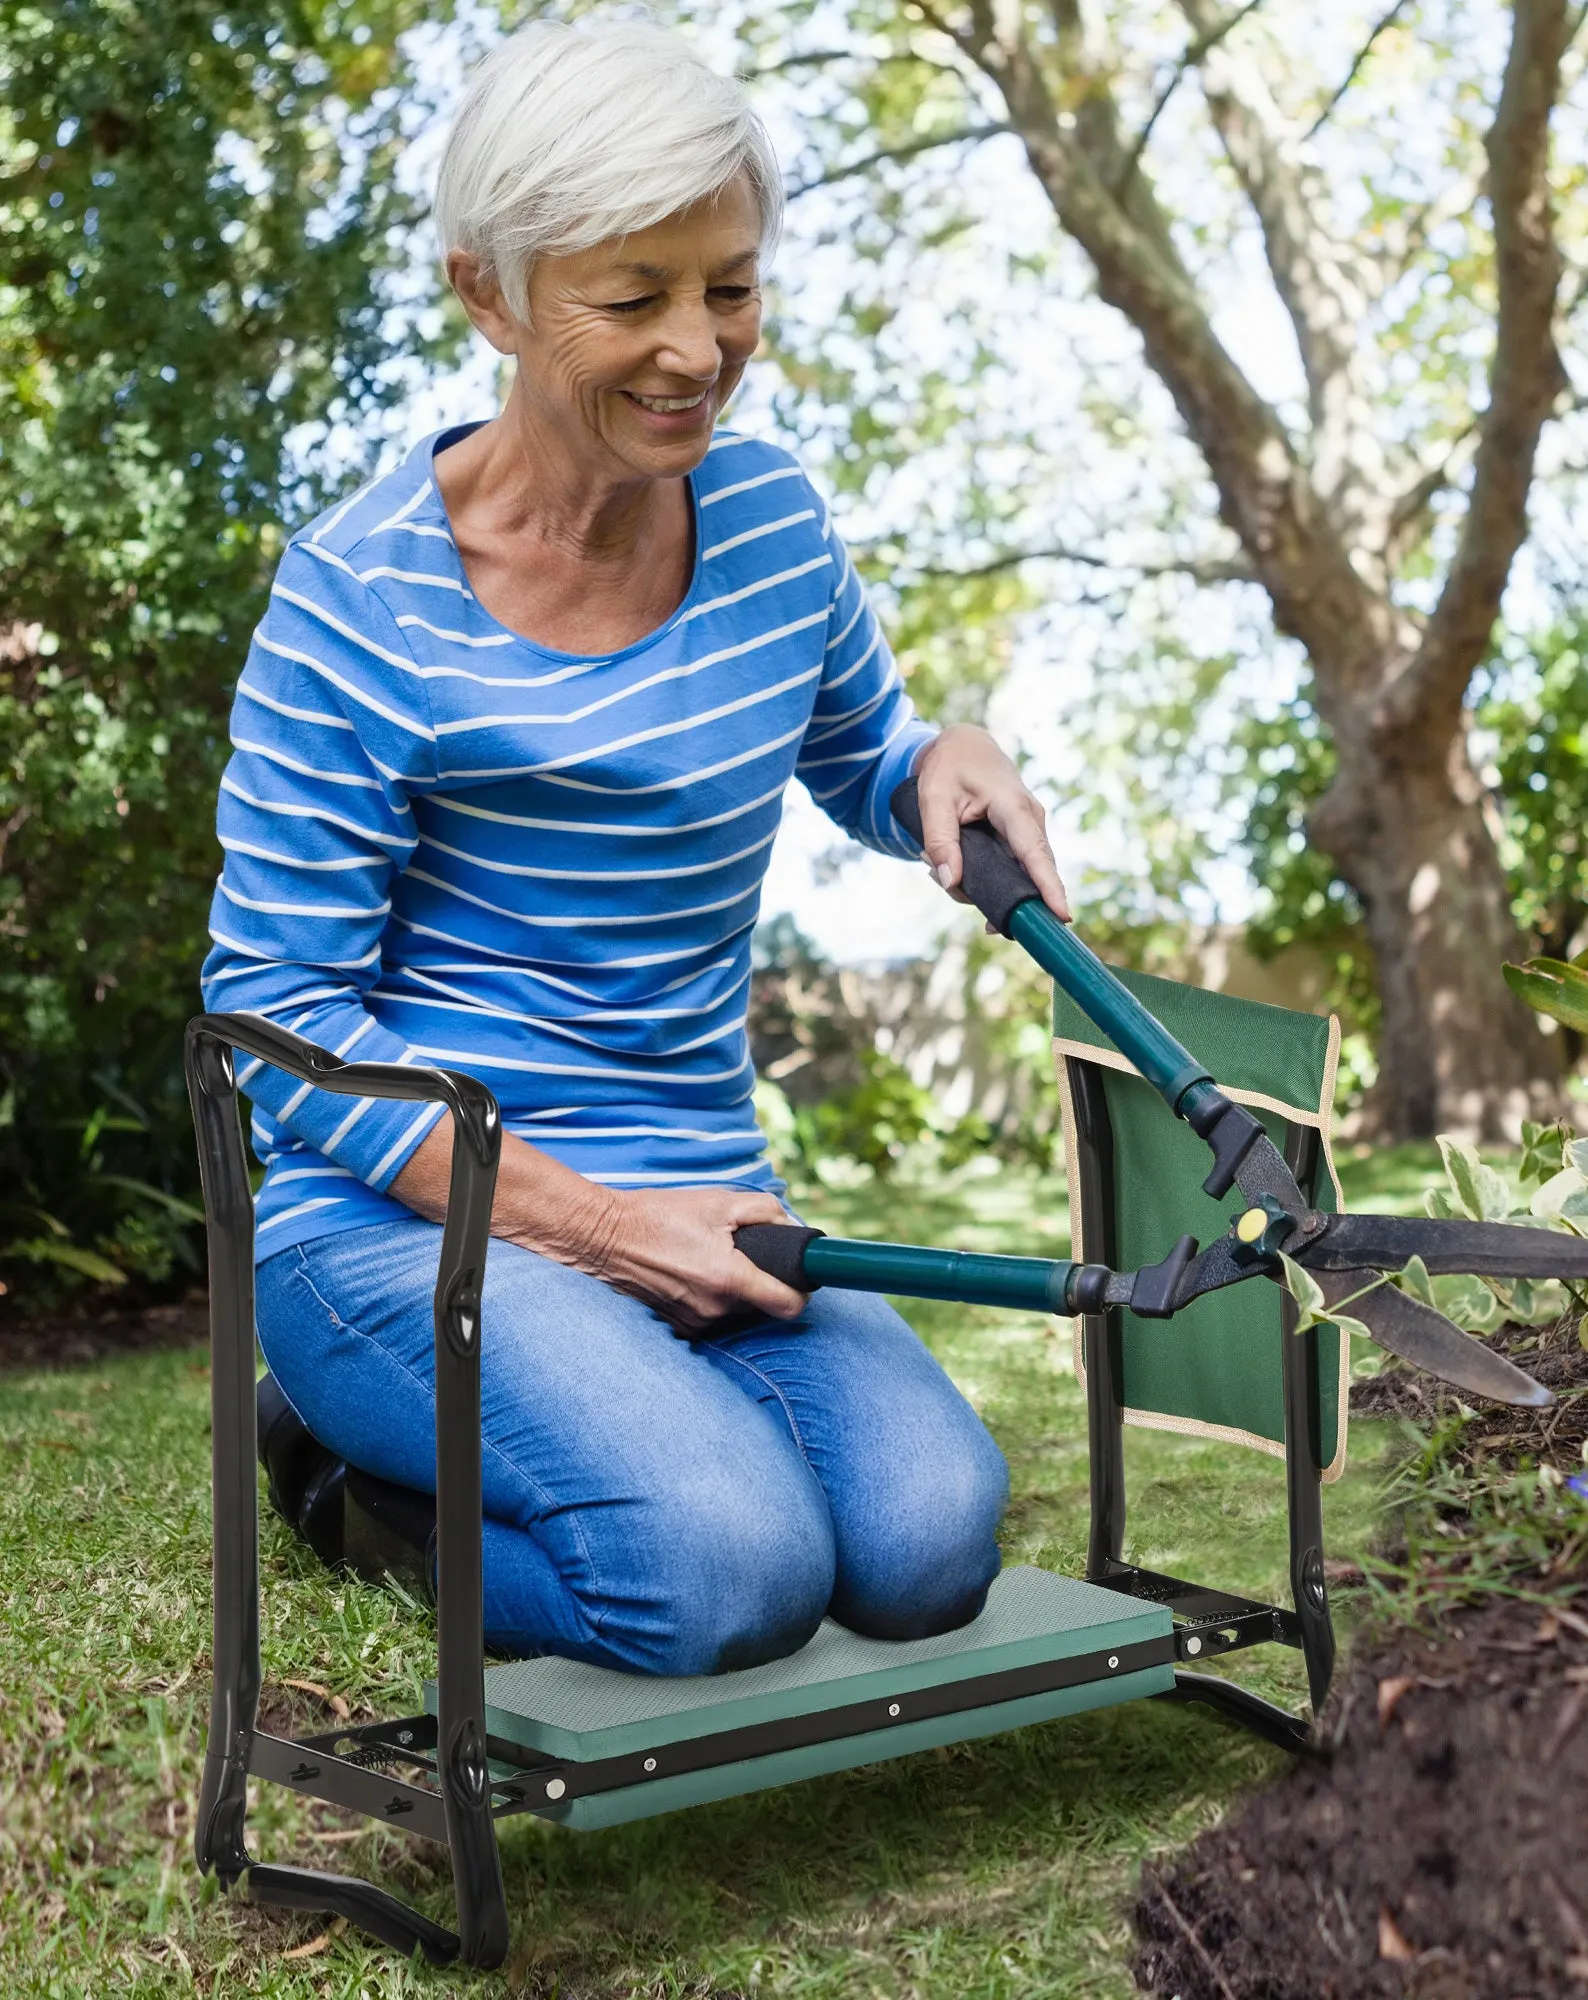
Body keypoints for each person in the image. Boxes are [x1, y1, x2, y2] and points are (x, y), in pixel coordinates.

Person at [202, 12, 1071, 1677]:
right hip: (407, 1226)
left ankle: (618, 1449)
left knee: (924, 1547)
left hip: (701, 1195)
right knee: (721, 1574)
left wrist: (942, 757)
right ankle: (336, 1480)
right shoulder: (360, 600)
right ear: (493, 294)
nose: (699, 347)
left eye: (729, 287)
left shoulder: (771, 527)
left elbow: (866, 759)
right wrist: (591, 1228)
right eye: (634, 297)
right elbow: (276, 1020)